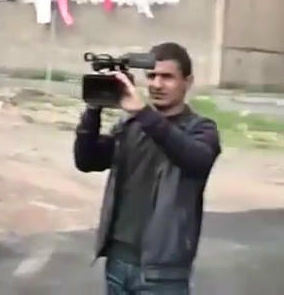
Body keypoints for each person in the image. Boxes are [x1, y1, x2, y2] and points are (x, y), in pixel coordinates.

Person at [74, 42, 221, 295]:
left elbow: (195, 159)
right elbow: (87, 161)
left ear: (188, 81)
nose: (157, 84)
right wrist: (94, 109)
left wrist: (144, 112)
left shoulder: (201, 129)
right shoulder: (131, 125)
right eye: (151, 76)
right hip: (117, 263)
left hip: (164, 273)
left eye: (167, 77)